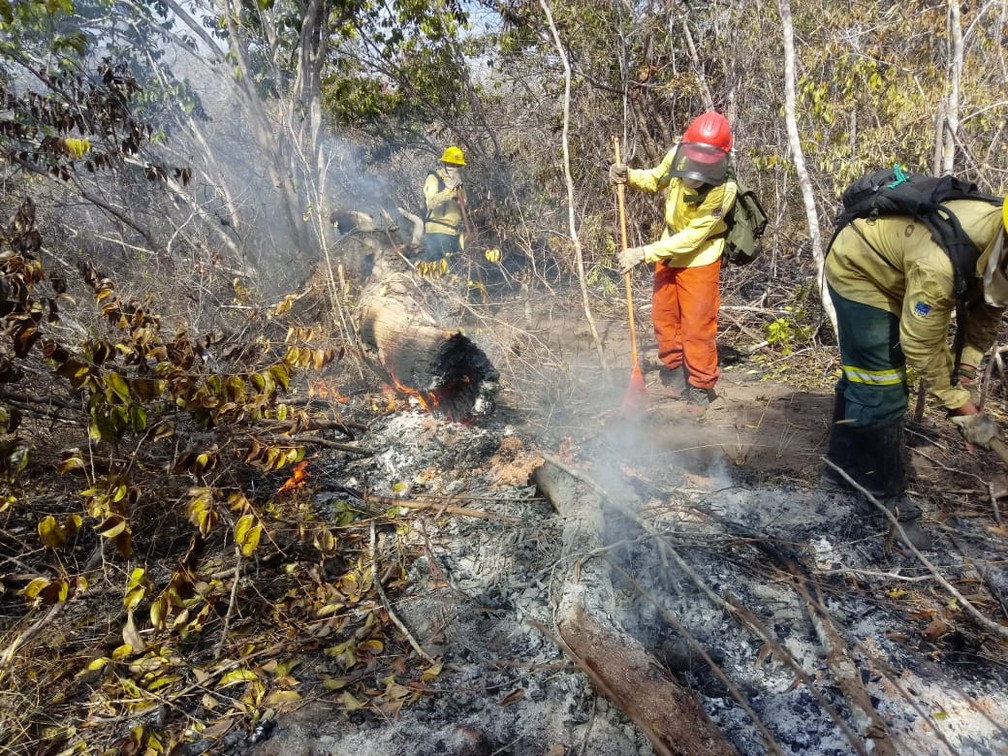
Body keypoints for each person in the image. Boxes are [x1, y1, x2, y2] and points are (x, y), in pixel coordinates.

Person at [824, 192, 1008, 548]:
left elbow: (990, 307)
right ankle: (884, 502)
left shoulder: (999, 246)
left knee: (868, 382)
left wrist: (966, 365)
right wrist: (962, 409)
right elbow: (921, 345)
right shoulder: (940, 261)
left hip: (901, 269)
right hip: (861, 266)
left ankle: (838, 473)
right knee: (881, 385)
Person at [610, 111, 738, 408]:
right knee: (664, 318)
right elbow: (655, 179)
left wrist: (643, 253)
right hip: (668, 251)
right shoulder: (677, 154)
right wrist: (629, 176)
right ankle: (674, 372)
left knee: (697, 326)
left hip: (700, 257)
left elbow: (694, 237)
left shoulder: (725, 189)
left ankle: (700, 386)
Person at [418, 145, 467, 274]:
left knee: (454, 273)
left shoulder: (458, 182)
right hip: (437, 232)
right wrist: (449, 190)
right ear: (444, 163)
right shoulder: (434, 178)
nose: (454, 168)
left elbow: (463, 206)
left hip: (454, 234)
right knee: (438, 272)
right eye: (451, 164)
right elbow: (432, 203)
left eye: (457, 165)